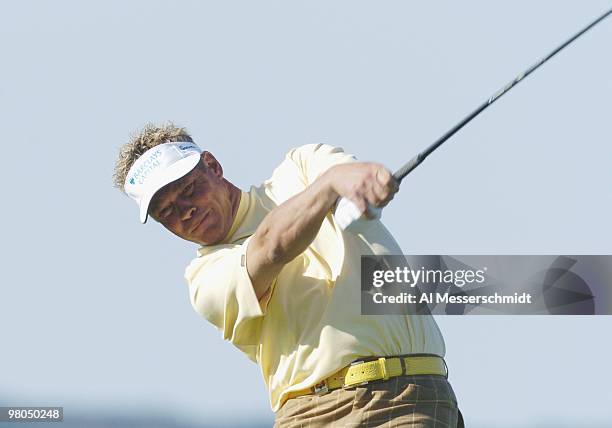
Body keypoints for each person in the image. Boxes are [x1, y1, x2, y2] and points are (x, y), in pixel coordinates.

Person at [113, 123, 463, 427]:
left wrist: (362, 182)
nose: (186, 211)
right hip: (310, 415)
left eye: (189, 189)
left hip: (405, 400)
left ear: (213, 166)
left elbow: (350, 180)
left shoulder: (303, 166)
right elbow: (272, 247)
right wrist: (329, 185)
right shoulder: (204, 278)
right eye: (167, 212)